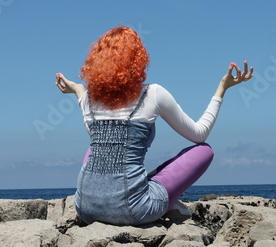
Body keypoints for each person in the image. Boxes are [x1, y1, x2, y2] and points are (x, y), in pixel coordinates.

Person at [55, 26, 253, 226]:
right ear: (137, 59)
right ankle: (165, 203)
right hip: (134, 210)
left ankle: (142, 192)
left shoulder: (89, 98)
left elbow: (94, 131)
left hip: (85, 207)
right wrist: (222, 88)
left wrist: (78, 90)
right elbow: (199, 134)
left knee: (95, 146)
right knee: (204, 150)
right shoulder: (153, 93)